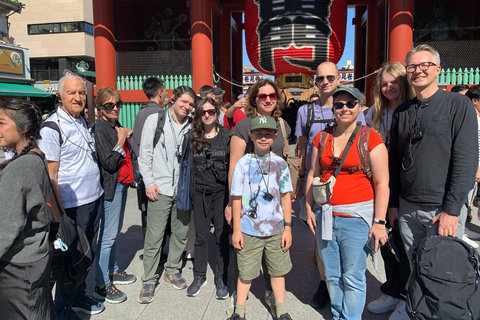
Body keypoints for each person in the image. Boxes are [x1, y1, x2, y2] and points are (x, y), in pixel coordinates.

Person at [388, 44, 477, 318]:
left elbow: (466, 160)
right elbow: (394, 162)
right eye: (412, 66)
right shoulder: (402, 111)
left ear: (437, 69)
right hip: (407, 206)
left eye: (424, 65)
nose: (418, 71)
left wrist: (452, 210)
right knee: (414, 265)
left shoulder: (457, 104)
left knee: (442, 271)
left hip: (442, 208)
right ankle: (416, 309)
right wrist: (393, 205)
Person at [305, 86, 389, 320]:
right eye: (339, 104)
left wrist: (379, 222)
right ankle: (338, 314)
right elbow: (313, 172)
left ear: (359, 106)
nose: (344, 108)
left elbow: (383, 183)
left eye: (350, 104)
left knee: (352, 276)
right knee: (332, 274)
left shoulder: (370, 137)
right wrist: (308, 207)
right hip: (326, 215)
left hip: (356, 217)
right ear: (333, 108)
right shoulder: (322, 137)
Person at [295, 61, 366, 309]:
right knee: (320, 241)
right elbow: (302, 147)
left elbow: (363, 143)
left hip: (349, 185)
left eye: (329, 78)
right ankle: (326, 283)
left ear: (338, 79)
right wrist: (301, 181)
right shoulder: (305, 111)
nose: (325, 82)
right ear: (315, 82)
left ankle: (345, 285)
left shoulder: (354, 106)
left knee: (347, 242)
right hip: (319, 182)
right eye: (320, 78)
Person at [39, 73, 105, 319]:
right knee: (70, 259)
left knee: (86, 256)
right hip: (71, 207)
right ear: (60, 95)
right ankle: (62, 307)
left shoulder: (82, 121)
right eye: (71, 93)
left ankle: (77, 296)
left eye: (81, 93)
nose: (78, 98)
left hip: (93, 199)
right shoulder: (52, 128)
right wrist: (60, 214)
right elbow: (51, 174)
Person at [225, 78, 291, 317]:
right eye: (262, 96)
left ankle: (276, 303)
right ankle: (239, 308)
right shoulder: (243, 126)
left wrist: (288, 222)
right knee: (248, 264)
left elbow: (283, 165)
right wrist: (232, 206)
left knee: (276, 266)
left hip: (273, 211)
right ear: (254, 98)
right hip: (250, 211)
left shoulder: (282, 125)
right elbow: (235, 168)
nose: (267, 100)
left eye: (272, 96)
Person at [365, 62, 414, 319]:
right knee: (385, 238)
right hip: (381, 182)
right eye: (384, 84)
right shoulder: (375, 112)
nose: (389, 87)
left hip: (409, 182)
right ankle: (393, 291)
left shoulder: (415, 108)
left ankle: (409, 297)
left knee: (408, 243)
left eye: (394, 82)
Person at [137, 86, 195, 304]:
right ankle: (149, 279)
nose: (187, 107)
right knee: (154, 236)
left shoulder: (191, 125)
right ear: (173, 99)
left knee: (180, 232)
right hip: (160, 188)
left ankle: (172, 269)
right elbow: (145, 155)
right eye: (184, 102)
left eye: (190, 104)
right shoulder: (156, 120)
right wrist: (149, 183)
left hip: (183, 189)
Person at [0, 100, 55, 320]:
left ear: (23, 128)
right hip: (35, 258)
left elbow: (5, 228)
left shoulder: (20, 168)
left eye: (2, 123)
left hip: (18, 266)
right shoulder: (36, 156)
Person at [92, 87, 137, 304]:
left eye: (118, 104)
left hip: (122, 185)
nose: (115, 108)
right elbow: (108, 163)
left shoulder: (114, 125)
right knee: (108, 236)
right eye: (109, 105)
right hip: (111, 186)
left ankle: (113, 269)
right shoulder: (101, 128)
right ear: (100, 108)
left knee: (115, 231)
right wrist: (120, 139)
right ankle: (102, 283)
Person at [184, 98, 231, 299]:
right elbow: (185, 167)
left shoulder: (227, 136)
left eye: (211, 111)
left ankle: (221, 277)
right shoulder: (192, 136)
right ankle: (199, 275)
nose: (207, 115)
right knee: (201, 236)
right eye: (203, 112)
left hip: (222, 194)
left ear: (217, 112)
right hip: (200, 193)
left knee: (221, 235)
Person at [132, 77, 169, 246]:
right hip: (157, 173)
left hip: (141, 169)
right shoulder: (161, 114)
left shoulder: (141, 113)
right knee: (160, 214)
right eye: (165, 91)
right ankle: (160, 251)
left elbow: (136, 143)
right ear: (160, 92)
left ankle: (149, 248)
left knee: (146, 212)